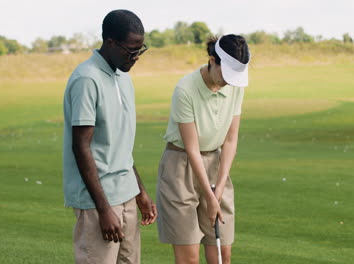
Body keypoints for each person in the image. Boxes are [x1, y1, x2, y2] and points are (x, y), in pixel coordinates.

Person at [63, 9, 157, 264]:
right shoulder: (86, 79)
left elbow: (119, 145)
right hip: (98, 201)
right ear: (110, 43)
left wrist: (139, 191)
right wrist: (103, 209)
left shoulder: (122, 77)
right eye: (131, 50)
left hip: (126, 192)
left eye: (140, 49)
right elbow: (81, 146)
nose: (136, 57)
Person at [156, 34, 251, 264]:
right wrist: (210, 197)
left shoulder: (235, 86)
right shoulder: (185, 89)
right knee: (189, 259)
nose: (229, 81)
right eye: (226, 74)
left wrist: (218, 191)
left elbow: (230, 140)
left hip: (216, 165)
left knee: (222, 256)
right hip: (181, 168)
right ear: (212, 60)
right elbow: (192, 148)